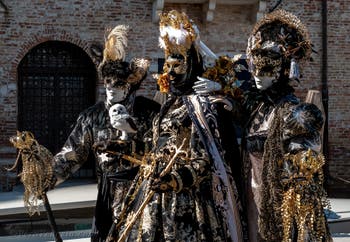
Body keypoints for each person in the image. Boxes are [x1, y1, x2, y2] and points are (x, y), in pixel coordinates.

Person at [114, 10, 244, 242]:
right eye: (168, 66)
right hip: (154, 194)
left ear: (192, 64)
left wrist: (175, 179)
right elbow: (154, 148)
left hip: (186, 199)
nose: (171, 73)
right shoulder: (169, 104)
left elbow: (206, 160)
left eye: (178, 66)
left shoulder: (203, 107)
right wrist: (121, 148)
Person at [49, 25, 160, 242]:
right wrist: (47, 178)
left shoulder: (148, 111)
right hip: (107, 194)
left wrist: (134, 133)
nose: (111, 88)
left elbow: (162, 148)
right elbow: (73, 154)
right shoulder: (92, 116)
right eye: (107, 82)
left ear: (128, 86)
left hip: (143, 192)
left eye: (117, 84)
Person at [241, 9, 332, 242]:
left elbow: (304, 161)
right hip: (252, 195)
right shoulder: (256, 109)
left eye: (267, 70)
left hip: (280, 199)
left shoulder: (293, 112)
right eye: (256, 69)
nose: (259, 76)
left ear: (282, 71)